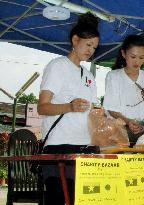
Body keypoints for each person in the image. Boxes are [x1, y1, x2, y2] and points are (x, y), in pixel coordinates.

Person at [37, 12, 100, 205]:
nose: (91, 50)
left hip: (86, 146)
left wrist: (102, 115)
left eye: (94, 47)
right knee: (58, 199)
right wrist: (69, 106)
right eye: (88, 44)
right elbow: (42, 107)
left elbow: (92, 110)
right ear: (75, 40)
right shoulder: (57, 66)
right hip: (60, 145)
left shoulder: (89, 76)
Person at [103, 35, 144, 145]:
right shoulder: (113, 76)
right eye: (133, 57)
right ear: (124, 54)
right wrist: (128, 122)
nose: (137, 61)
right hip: (119, 134)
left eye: (141, 57)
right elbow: (111, 108)